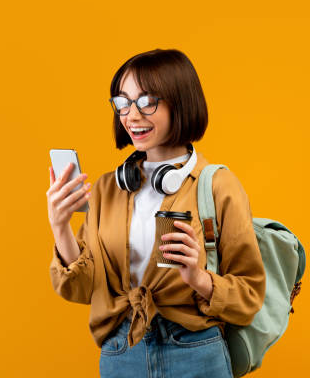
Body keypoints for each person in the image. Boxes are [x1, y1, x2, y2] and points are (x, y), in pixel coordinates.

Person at [47, 49, 266, 377]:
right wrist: (60, 226)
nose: (131, 115)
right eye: (122, 102)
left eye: (146, 101)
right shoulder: (109, 189)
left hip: (196, 352)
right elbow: (82, 289)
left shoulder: (218, 185)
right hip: (123, 353)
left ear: (179, 101)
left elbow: (249, 297)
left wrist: (199, 278)